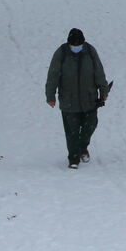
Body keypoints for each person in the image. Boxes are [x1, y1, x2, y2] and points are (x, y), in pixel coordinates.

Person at [45, 28, 109, 170]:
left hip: (89, 99)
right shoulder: (61, 53)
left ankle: (83, 147)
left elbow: (99, 72)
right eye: (73, 45)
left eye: (78, 45)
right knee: (72, 132)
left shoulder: (90, 52)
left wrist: (103, 90)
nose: (76, 48)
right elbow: (53, 75)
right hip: (69, 101)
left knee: (90, 125)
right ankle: (73, 158)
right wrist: (50, 96)